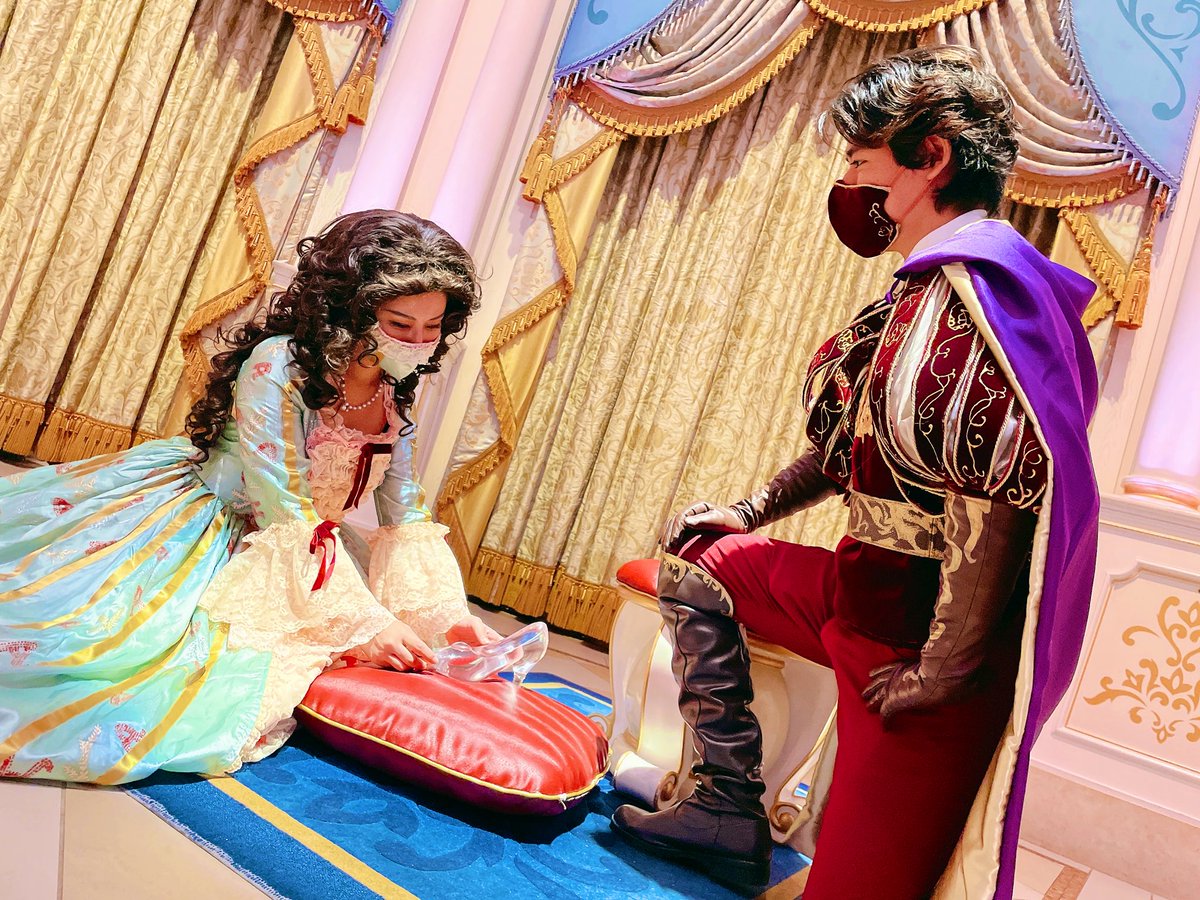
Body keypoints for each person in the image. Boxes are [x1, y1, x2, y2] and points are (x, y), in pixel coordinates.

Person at [610, 48, 1100, 900]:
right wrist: (749, 510)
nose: (848, 179)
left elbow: (997, 491)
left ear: (930, 158)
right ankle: (725, 806)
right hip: (856, 591)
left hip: (918, 652)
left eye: (860, 157)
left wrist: (941, 672)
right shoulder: (926, 287)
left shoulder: (976, 296)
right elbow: (852, 441)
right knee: (699, 560)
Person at [0, 210, 501, 785]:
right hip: (222, 528)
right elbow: (282, 504)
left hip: (310, 546)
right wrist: (365, 621)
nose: (416, 342)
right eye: (399, 323)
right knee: (108, 654)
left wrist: (450, 617)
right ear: (352, 308)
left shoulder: (392, 383)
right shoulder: (278, 363)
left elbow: (406, 509)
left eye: (432, 327)